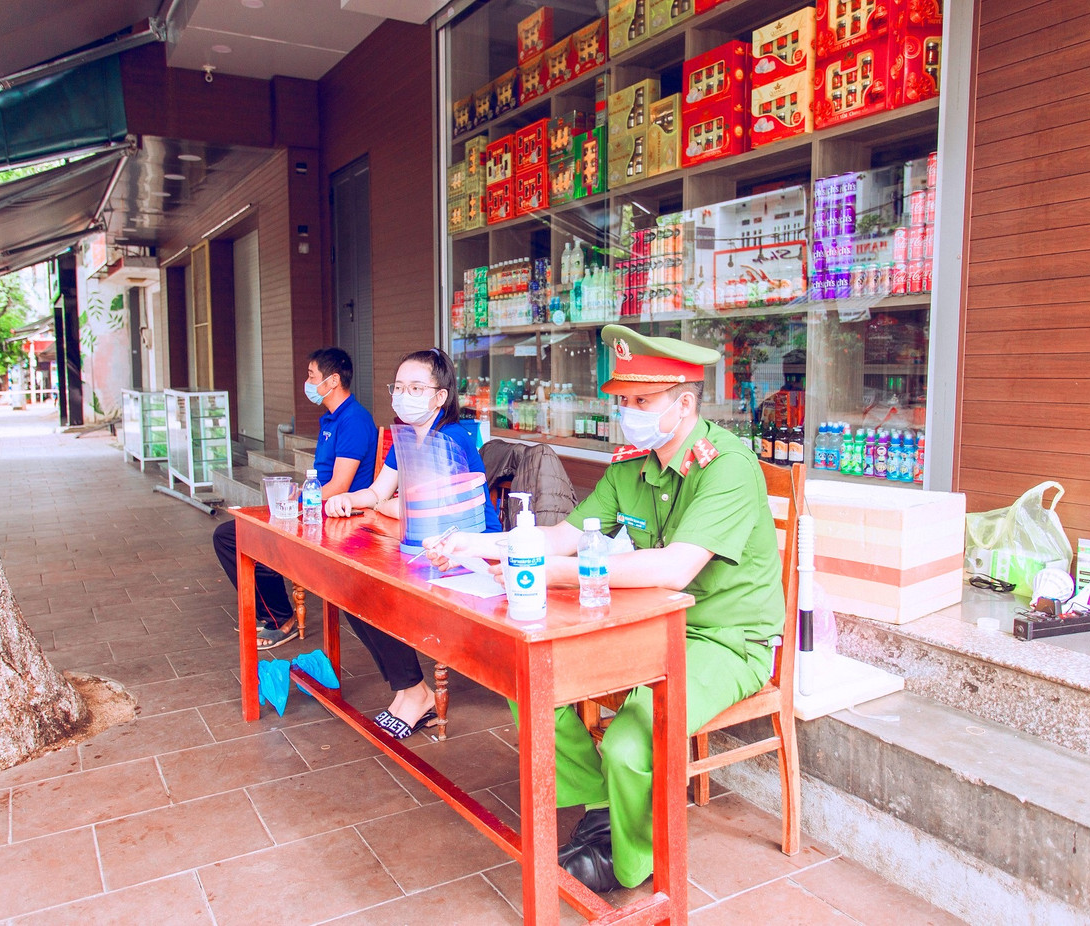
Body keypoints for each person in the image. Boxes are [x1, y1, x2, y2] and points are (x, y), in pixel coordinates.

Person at [426, 324, 784, 893]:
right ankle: (601, 807)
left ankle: (630, 857)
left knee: (630, 737)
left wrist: (552, 572)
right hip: (647, 624)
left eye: (643, 401)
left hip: (724, 638)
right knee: (536, 686)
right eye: (623, 400)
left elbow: (671, 569)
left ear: (684, 403)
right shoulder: (630, 466)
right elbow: (563, 537)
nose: (629, 412)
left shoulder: (727, 467)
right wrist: (478, 544)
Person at [324, 348, 499, 739]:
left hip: (471, 553)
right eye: (399, 387)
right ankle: (410, 690)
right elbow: (378, 493)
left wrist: (392, 505)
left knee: (376, 590)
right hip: (429, 546)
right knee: (351, 587)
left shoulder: (449, 439)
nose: (405, 395)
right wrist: (349, 500)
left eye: (417, 387)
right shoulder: (406, 438)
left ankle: (415, 694)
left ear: (440, 396)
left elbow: (427, 512)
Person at [213, 347, 378, 649]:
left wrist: (297, 504)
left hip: (337, 515)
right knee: (232, 534)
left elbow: (340, 486)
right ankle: (273, 614)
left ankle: (279, 618)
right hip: (316, 507)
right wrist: (297, 497)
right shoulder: (331, 419)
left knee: (238, 537)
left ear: (333, 380)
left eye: (312, 376)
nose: (308, 382)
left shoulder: (353, 420)